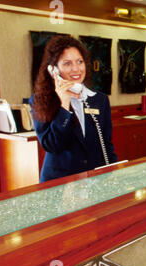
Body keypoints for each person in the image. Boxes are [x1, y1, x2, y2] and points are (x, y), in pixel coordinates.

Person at [30, 35, 117, 182]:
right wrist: (64, 104)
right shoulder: (40, 101)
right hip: (60, 182)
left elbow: (106, 144)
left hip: (94, 180)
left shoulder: (99, 100)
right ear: (53, 70)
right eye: (67, 63)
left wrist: (113, 172)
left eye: (79, 62)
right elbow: (52, 145)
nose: (76, 69)